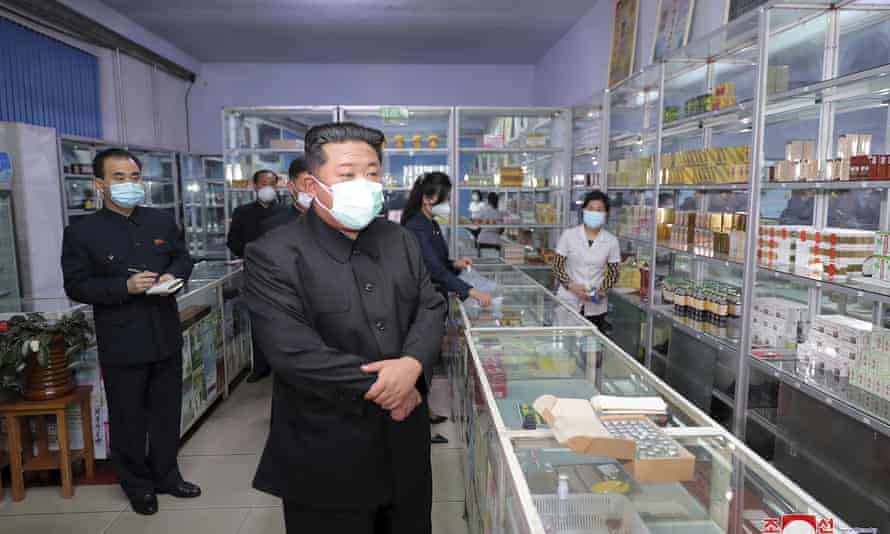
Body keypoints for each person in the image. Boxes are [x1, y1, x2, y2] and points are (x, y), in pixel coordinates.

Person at [244, 122, 446, 534]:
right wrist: (392, 387)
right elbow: (291, 350)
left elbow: (430, 306)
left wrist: (411, 365)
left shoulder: (400, 240)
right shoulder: (274, 254)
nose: (364, 184)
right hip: (325, 448)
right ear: (312, 183)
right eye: (348, 173)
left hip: (403, 444)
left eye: (372, 173)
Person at [61, 148, 200, 516]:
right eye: (119, 178)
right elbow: (76, 285)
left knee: (166, 413)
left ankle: (167, 476)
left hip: (165, 332)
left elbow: (182, 257)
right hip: (121, 340)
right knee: (128, 418)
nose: (129, 184)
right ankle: (138, 485)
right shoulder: (81, 231)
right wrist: (125, 288)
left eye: (135, 177)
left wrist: (175, 275)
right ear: (99, 184)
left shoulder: (160, 221)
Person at [401, 172, 493, 444]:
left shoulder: (430, 222)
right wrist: (469, 290)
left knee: (427, 362)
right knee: (420, 363)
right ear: (428, 198)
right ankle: (416, 428)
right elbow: (429, 267)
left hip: (434, 297)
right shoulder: (416, 226)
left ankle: (424, 411)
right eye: (446, 198)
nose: (449, 204)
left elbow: (438, 261)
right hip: (421, 303)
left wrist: (454, 264)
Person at [227, 168, 283, 382]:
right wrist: (249, 253)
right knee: (258, 319)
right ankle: (260, 366)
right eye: (263, 183)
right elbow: (232, 240)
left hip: (282, 274)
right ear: (255, 186)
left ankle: (283, 367)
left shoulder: (285, 213)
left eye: (272, 183)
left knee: (284, 319)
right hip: (254, 273)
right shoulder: (242, 212)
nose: (267, 188)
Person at [553, 190, 621, 332]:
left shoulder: (611, 241)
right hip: (568, 300)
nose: (594, 213)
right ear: (584, 210)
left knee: (591, 348)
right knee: (567, 345)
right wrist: (571, 285)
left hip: (596, 305)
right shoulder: (569, 235)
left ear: (606, 214)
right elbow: (557, 266)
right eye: (591, 209)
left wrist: (601, 291)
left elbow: (614, 272)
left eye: (599, 210)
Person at [260, 157, 313, 233]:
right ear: (291, 187)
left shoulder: (333, 222)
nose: (312, 192)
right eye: (305, 185)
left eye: (316, 185)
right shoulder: (274, 226)